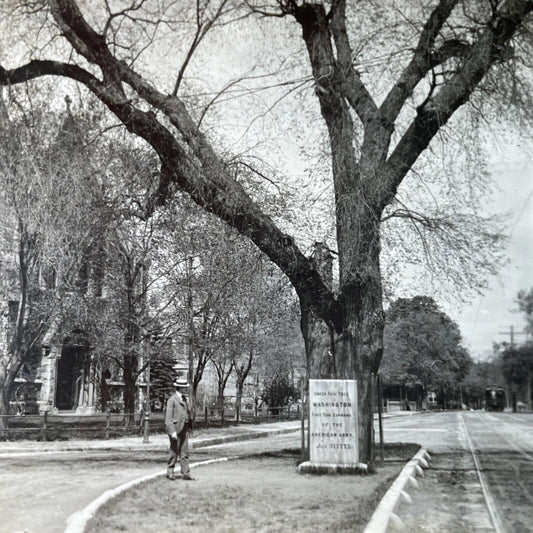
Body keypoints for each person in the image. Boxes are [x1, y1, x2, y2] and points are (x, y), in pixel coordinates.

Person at [165, 378, 196, 481]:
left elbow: (188, 413)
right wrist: (172, 431)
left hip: (185, 429)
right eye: (185, 387)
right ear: (180, 388)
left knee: (184, 452)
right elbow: (168, 418)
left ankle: (186, 473)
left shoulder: (185, 399)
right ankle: (170, 472)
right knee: (174, 452)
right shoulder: (172, 400)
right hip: (176, 429)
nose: (186, 389)